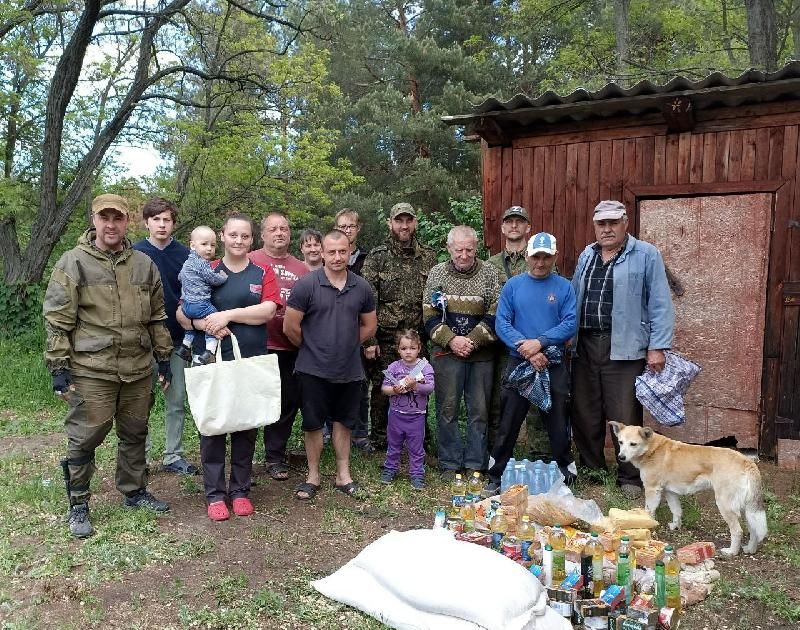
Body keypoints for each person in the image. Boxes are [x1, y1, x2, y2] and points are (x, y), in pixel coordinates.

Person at [44, 193, 173, 538]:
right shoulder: (73, 262)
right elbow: (58, 320)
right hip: (92, 369)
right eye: (105, 218)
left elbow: (157, 317)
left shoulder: (144, 264)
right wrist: (59, 368)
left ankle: (134, 491)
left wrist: (164, 360)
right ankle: (79, 503)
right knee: (86, 437)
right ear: (94, 219)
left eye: (117, 218)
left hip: (138, 367)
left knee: (135, 433)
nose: (111, 225)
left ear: (127, 221)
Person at [179, 213, 280, 520]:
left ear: (252, 240)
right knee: (212, 425)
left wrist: (229, 315)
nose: (239, 241)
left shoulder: (262, 272)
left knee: (245, 425)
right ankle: (214, 494)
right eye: (233, 235)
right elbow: (183, 313)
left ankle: (239, 490)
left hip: (248, 359)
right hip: (210, 359)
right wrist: (206, 323)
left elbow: (267, 310)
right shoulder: (204, 267)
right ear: (222, 236)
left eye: (245, 236)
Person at [571, 200, 674, 499]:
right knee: (585, 410)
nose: (607, 229)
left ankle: (629, 476)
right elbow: (575, 295)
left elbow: (660, 302)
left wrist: (657, 346)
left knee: (624, 413)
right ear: (595, 226)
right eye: (601, 223)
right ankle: (592, 468)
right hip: (585, 343)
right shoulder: (587, 255)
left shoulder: (646, 254)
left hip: (625, 347)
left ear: (625, 223)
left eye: (613, 222)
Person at [284, 230, 377, 500]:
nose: (337, 257)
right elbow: (290, 327)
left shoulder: (361, 287)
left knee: (344, 422)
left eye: (342, 251)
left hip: (349, 368)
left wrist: (345, 343)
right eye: (331, 252)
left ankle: (342, 475)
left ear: (350, 252)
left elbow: (369, 326)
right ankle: (312, 476)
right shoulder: (306, 285)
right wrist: (315, 345)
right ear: (322, 253)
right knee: (313, 423)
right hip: (312, 368)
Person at [486, 233, 578, 494]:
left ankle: (566, 472)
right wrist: (528, 349)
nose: (540, 262)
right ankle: (496, 474)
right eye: (536, 256)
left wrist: (541, 343)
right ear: (527, 256)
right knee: (509, 421)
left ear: (554, 257)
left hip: (553, 362)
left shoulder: (563, 287)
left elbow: (570, 323)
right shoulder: (513, 286)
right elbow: (502, 323)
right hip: (519, 363)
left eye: (546, 257)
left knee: (558, 419)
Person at [422, 225, 502, 479]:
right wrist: (451, 340)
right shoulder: (436, 273)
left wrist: (472, 341)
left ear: (476, 248)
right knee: (447, 409)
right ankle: (449, 462)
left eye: (469, 249)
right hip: (447, 354)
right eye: (459, 250)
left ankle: (475, 463)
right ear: (449, 249)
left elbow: (497, 311)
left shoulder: (491, 273)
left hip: (481, 356)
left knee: (479, 410)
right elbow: (428, 314)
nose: (464, 255)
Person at [362, 202, 437, 451]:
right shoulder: (377, 257)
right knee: (384, 388)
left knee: (419, 387)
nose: (404, 226)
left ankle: (420, 437)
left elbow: (435, 297)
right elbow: (367, 300)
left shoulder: (429, 256)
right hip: (385, 336)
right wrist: (369, 340)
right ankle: (381, 438)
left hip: (418, 338)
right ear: (390, 223)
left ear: (415, 222)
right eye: (398, 220)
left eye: (408, 220)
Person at [132, 197, 197, 475]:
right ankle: (139, 458)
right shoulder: (134, 253)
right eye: (156, 219)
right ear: (146, 222)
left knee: (176, 399)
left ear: (173, 223)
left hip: (178, 339)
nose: (161, 224)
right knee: (140, 401)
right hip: (142, 341)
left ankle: (173, 455)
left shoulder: (186, 255)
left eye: (166, 219)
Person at [249, 213, 309, 481]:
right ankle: (244, 458)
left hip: (289, 347)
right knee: (251, 402)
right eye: (273, 229)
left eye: (284, 228)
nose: (279, 233)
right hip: (254, 344)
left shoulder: (302, 269)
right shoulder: (250, 260)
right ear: (262, 234)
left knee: (286, 403)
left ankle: (275, 456)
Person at [486, 205, 549, 459]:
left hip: (534, 345)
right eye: (509, 221)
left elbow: (548, 300)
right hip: (501, 345)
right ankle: (498, 456)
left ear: (528, 228)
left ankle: (540, 456)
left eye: (519, 222)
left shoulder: (539, 258)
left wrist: (539, 343)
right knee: (500, 402)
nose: (514, 226)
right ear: (502, 228)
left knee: (536, 402)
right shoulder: (489, 265)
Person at [380, 329, 435, 490]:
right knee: (393, 444)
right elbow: (384, 388)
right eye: (404, 348)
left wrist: (415, 385)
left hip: (416, 417)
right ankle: (390, 469)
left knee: (416, 447)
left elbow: (430, 388)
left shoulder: (425, 367)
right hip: (396, 415)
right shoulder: (394, 367)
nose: (408, 352)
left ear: (419, 348)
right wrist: (394, 390)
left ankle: (417, 473)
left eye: (412, 348)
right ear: (398, 350)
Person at [334, 208, 370, 448]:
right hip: (332, 332)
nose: (347, 230)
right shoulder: (329, 259)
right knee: (331, 383)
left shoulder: (368, 260)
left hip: (360, 333)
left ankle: (359, 433)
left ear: (358, 229)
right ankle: (330, 430)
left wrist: (369, 341)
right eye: (342, 226)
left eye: (351, 226)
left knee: (359, 384)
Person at [176, 226, 228, 366]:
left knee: (191, 326)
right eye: (204, 244)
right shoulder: (202, 263)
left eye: (212, 245)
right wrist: (223, 276)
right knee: (214, 318)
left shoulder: (187, 262)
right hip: (200, 304)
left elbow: (180, 277)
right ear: (192, 245)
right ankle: (210, 352)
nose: (209, 249)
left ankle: (185, 347)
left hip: (186, 306)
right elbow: (213, 278)